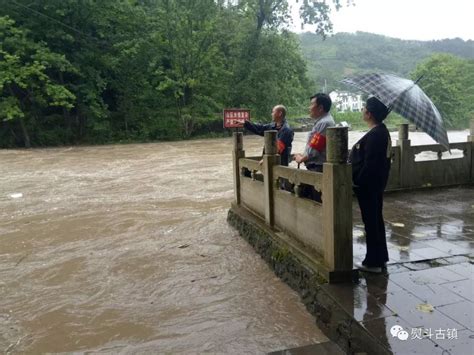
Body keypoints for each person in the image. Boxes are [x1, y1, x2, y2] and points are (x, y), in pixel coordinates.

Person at [349, 96, 392, 273]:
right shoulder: (381, 131)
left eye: (364, 108)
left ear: (369, 113)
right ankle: (379, 257)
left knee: (371, 221)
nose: (362, 111)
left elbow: (370, 165)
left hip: (369, 186)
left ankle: (373, 262)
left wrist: (357, 182)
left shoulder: (376, 135)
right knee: (375, 220)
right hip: (375, 185)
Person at [293, 93, 335, 201]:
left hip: (318, 168)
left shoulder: (324, 123)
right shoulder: (322, 122)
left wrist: (301, 158)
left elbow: (315, 149)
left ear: (320, 108)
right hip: (316, 167)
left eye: (312, 104)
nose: (309, 108)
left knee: (318, 202)